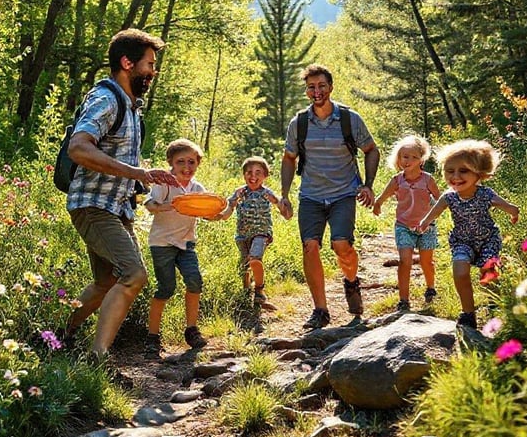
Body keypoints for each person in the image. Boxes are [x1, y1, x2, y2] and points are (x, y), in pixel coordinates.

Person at [63, 28, 178, 357]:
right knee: (132, 274)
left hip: (116, 208)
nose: (153, 72)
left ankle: (55, 337)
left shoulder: (131, 108)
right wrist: (135, 172)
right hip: (94, 205)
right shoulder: (105, 98)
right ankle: (98, 357)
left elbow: (118, 159)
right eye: (149, 65)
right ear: (127, 63)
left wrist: (143, 178)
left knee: (107, 282)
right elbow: (79, 148)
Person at [280, 64, 380, 329]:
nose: (317, 91)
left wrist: (368, 185)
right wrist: (284, 194)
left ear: (331, 87)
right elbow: (289, 158)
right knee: (309, 246)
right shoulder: (299, 123)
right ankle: (320, 310)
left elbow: (371, 150)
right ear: (306, 91)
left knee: (341, 245)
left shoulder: (349, 119)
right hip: (311, 195)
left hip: (343, 194)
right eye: (311, 87)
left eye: (321, 86)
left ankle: (351, 281)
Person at [416, 139, 519, 329]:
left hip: (488, 240)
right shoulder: (449, 197)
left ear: (479, 173)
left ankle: (493, 305)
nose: (455, 177)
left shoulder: (485, 194)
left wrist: (513, 211)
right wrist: (424, 222)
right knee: (460, 271)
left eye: (463, 171)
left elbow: (504, 204)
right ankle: (468, 313)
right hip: (462, 241)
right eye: (450, 171)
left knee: (489, 274)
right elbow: (435, 212)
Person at [144, 139, 209, 358]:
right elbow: (150, 205)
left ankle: (191, 330)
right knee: (166, 288)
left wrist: (222, 209)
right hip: (162, 243)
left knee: (194, 281)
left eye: (192, 162)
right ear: (171, 163)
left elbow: (209, 211)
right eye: (180, 161)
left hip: (186, 244)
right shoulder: (165, 183)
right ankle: (153, 337)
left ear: (198, 164)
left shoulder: (197, 189)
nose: (186, 167)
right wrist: (170, 205)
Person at [372, 135, 441, 312]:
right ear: (398, 158)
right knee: (405, 261)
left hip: (427, 227)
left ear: (421, 160)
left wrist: (440, 211)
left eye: (413, 157)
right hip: (403, 226)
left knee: (427, 262)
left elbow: (441, 200)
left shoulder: (428, 180)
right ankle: (404, 299)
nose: (408, 160)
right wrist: (377, 205)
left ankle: (430, 288)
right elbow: (383, 197)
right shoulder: (397, 180)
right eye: (404, 156)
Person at [218, 156, 287, 311]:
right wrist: (221, 215)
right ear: (244, 175)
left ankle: (260, 291)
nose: (253, 176)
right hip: (243, 234)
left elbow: (280, 207)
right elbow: (229, 209)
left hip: (261, 233)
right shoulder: (240, 192)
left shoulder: (266, 193)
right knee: (244, 265)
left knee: (255, 258)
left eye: (258, 172)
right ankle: (246, 293)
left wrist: (283, 206)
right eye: (249, 172)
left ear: (265, 176)